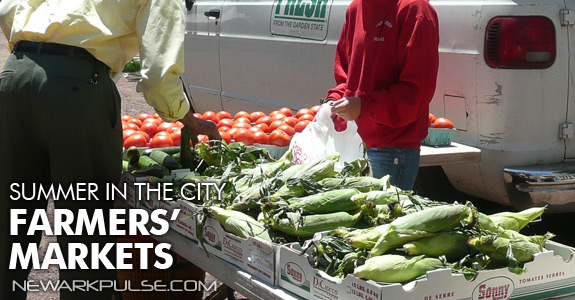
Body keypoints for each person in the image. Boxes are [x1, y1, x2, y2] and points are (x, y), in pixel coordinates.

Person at [0, 1, 219, 300]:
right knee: (85, 237)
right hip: (79, 88)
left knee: (10, 226)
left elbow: (8, 8)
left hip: (14, 78)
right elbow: (157, 75)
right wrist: (188, 118)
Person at [327, 0, 440, 190]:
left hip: (393, 151)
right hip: (353, 144)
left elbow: (416, 92)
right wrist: (334, 100)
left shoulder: (416, 10)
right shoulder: (356, 8)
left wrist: (364, 106)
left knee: (385, 220)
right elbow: (346, 76)